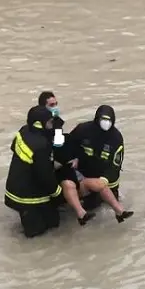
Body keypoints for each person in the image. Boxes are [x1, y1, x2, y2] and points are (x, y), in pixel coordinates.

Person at [4, 105, 65, 238]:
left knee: (53, 222)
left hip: (15, 187)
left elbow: (14, 147)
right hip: (27, 198)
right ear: (39, 124)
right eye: (49, 122)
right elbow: (45, 176)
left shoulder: (24, 131)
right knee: (37, 234)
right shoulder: (41, 145)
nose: (51, 124)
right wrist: (59, 194)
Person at [37, 90, 96, 226]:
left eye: (56, 104)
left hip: (60, 163)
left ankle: (82, 212)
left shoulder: (56, 124)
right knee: (69, 182)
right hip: (48, 166)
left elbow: (59, 144)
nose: (55, 107)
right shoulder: (40, 126)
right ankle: (80, 212)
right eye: (52, 105)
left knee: (74, 179)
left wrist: (73, 158)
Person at [68, 105, 134, 223]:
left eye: (109, 120)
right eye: (103, 120)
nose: (106, 123)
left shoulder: (116, 138)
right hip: (84, 175)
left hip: (106, 178)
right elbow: (68, 144)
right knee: (92, 206)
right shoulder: (83, 130)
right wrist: (74, 157)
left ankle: (119, 211)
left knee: (106, 198)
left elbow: (116, 165)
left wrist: (105, 179)